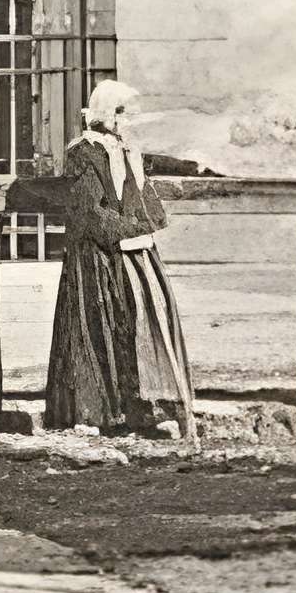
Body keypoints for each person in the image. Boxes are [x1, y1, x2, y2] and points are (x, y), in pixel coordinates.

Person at [44, 79, 196, 440]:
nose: (129, 122)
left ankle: (143, 408)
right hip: (98, 259)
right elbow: (88, 211)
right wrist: (130, 229)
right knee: (99, 329)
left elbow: (141, 197)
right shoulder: (84, 152)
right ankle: (95, 412)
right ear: (107, 113)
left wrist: (146, 217)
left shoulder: (128, 151)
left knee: (138, 325)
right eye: (124, 114)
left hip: (133, 253)